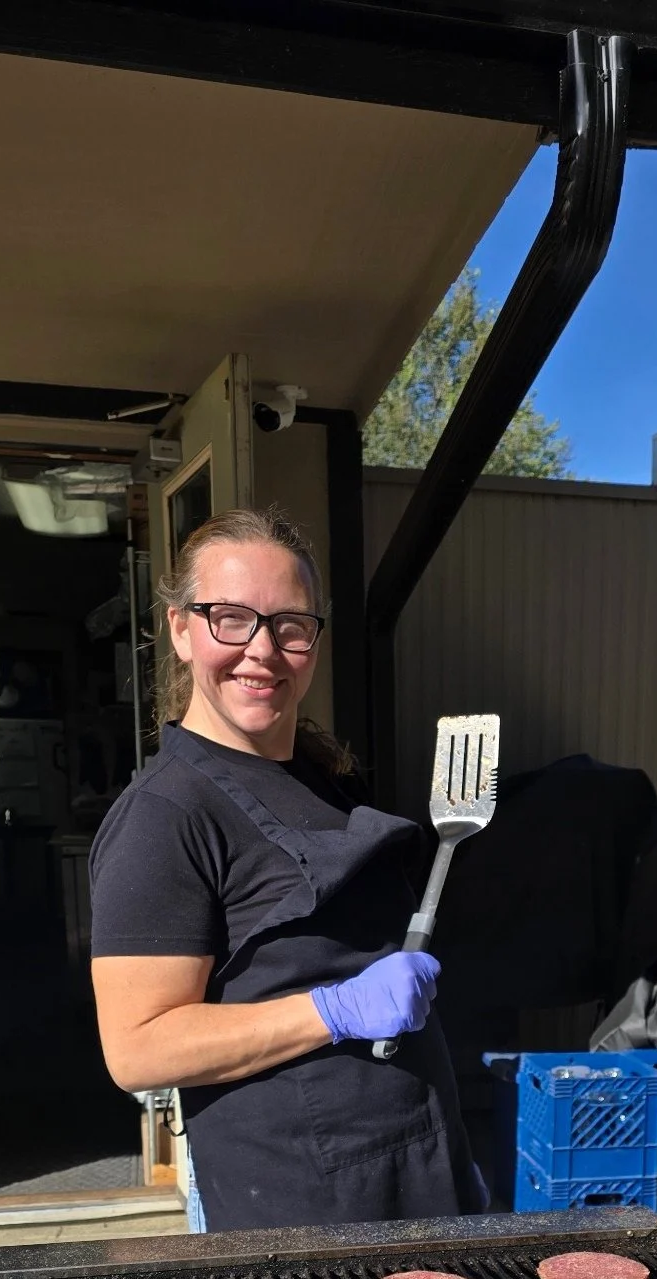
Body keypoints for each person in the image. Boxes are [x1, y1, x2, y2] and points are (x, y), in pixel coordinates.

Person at [88, 505, 484, 1231]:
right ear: (181, 629)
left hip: (411, 1162)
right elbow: (138, 1049)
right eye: (230, 618)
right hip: (297, 1204)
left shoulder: (316, 775)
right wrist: (333, 1011)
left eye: (290, 626)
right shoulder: (165, 817)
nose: (262, 651)